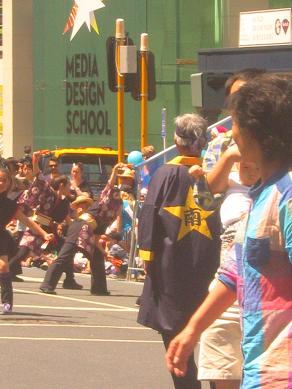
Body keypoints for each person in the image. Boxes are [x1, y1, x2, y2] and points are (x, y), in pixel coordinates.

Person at [165, 74, 292, 389]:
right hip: (261, 368)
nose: (230, 131)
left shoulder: (287, 198)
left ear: (256, 131)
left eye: (235, 122)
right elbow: (235, 272)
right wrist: (192, 330)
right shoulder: (263, 193)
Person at [137, 113, 221, 389]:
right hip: (209, 262)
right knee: (213, 333)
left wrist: (146, 254)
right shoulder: (214, 173)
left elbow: (149, 212)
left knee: (173, 332)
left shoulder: (166, 172)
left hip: (170, 263)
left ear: (176, 140)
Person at [40, 163, 123, 295]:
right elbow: (110, 185)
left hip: (89, 230)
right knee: (65, 255)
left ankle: (99, 288)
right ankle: (47, 284)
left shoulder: (109, 217)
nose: (118, 202)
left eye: (120, 201)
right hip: (80, 226)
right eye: (117, 197)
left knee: (97, 257)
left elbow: (96, 238)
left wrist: (104, 252)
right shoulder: (104, 201)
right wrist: (114, 171)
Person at [0, 167, 53, 314]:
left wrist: (43, 233)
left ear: (9, 183)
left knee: (4, 266)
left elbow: (27, 220)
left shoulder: (10, 205)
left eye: (4, 180)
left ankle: (7, 303)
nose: (1, 183)